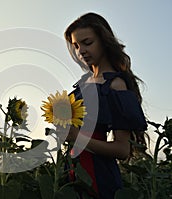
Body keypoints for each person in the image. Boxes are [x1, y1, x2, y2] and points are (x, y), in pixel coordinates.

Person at [62, 12, 148, 198]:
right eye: (76, 46)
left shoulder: (115, 85)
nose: (81, 51)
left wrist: (78, 137)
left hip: (98, 178)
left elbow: (122, 149)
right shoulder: (84, 83)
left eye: (87, 43)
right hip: (71, 173)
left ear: (104, 41)